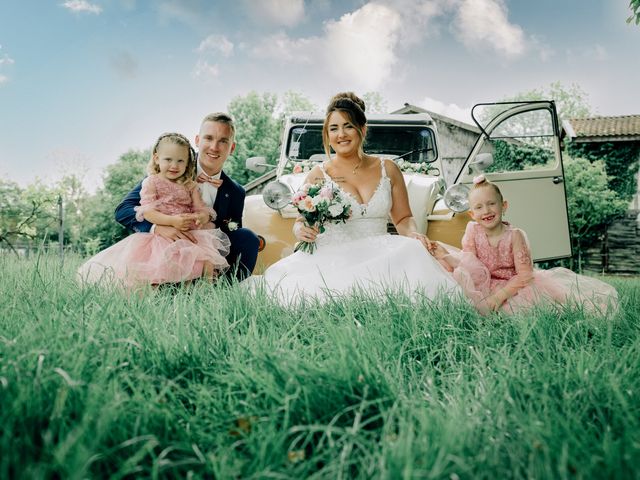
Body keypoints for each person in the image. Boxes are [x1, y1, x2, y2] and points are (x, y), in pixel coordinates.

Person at [244, 92, 461, 305]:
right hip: (334, 255)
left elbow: (403, 218)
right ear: (327, 136)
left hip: (379, 252)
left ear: (362, 130)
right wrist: (300, 230)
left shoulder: (389, 169)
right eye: (334, 128)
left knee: (412, 250)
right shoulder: (318, 175)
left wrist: (414, 234)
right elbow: (301, 221)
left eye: (348, 126)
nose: (341, 134)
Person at [431, 175, 619, 314]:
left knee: (525, 309)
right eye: (479, 207)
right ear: (472, 214)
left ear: (503, 206)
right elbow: (468, 261)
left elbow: (525, 275)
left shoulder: (515, 236)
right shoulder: (473, 230)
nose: (486, 211)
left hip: (515, 285)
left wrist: (499, 296)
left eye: (491, 204)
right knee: (460, 289)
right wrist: (447, 257)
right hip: (485, 282)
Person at [115, 113, 259, 281]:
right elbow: (123, 210)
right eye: (209, 138)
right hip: (166, 249)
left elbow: (231, 230)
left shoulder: (236, 192)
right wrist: (158, 228)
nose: (214, 147)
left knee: (247, 238)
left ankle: (223, 291)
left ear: (232, 148)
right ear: (197, 140)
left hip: (203, 249)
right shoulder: (174, 166)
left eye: (223, 141)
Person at [78, 132, 230, 287]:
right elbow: (147, 211)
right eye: (168, 159)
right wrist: (170, 221)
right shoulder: (152, 182)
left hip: (189, 232)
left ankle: (203, 294)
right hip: (160, 236)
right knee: (154, 268)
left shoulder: (190, 185)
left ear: (187, 163)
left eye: (180, 161)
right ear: (157, 158)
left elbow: (200, 208)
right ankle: (154, 299)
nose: (174, 165)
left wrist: (202, 217)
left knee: (205, 261)